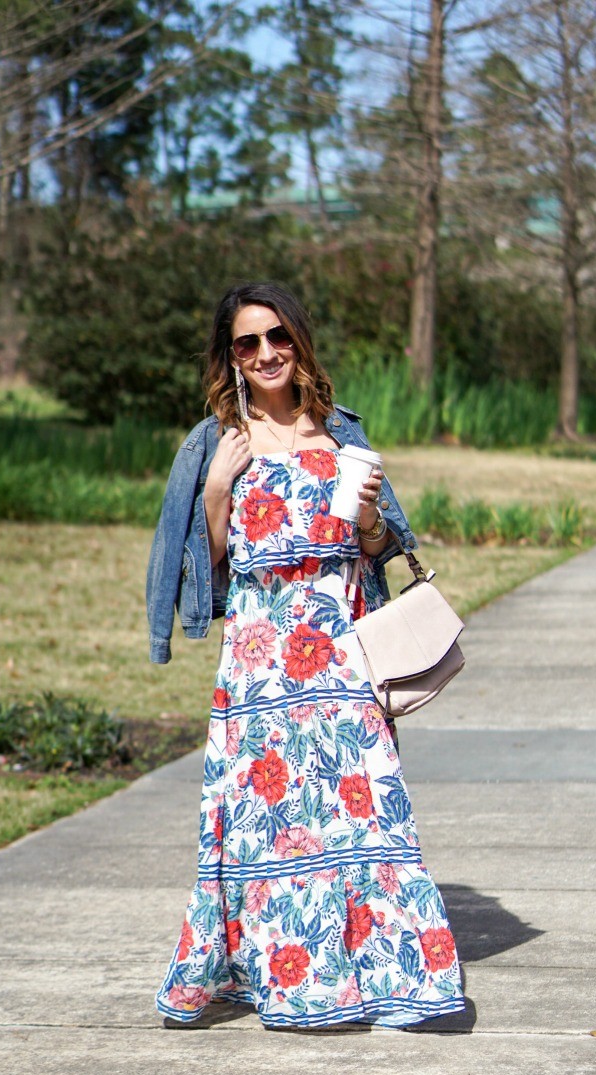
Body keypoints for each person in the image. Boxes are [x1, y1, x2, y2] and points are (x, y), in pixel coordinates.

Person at [147, 283, 464, 1029]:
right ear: (229, 357)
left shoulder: (343, 435)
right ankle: (290, 979)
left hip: (341, 660)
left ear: (299, 340)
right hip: (259, 668)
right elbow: (210, 573)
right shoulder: (215, 444)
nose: (265, 354)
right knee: (269, 823)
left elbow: (381, 552)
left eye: (277, 336)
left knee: (368, 815)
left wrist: (371, 522)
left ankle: (396, 979)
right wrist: (219, 493)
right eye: (247, 343)